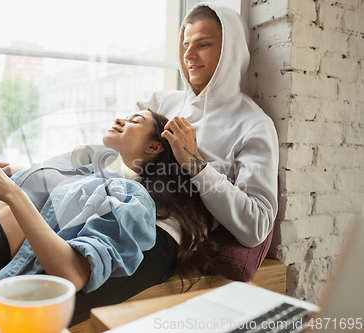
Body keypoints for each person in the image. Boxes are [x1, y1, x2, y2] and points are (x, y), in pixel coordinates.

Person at [0, 71, 214, 321]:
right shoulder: (86, 168)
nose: (121, 118)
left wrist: (13, 193)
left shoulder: (132, 198)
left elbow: (72, 275)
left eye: (136, 120)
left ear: (154, 146)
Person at [68, 3, 279, 325]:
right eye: (185, 45)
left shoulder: (253, 124)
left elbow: (256, 227)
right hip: (106, 208)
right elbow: (111, 148)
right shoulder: (160, 102)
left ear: (232, 51)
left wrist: (196, 163)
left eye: (204, 44)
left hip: (158, 236)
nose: (189, 54)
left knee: (59, 296)